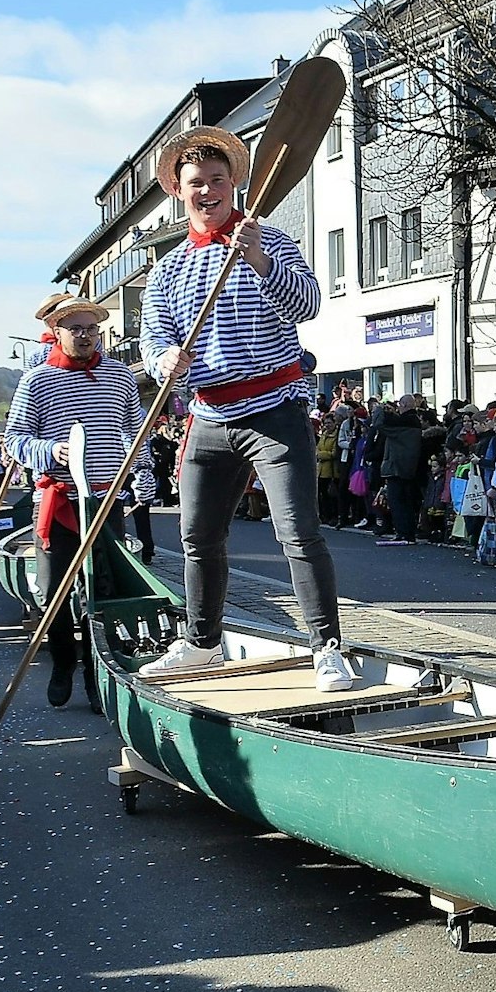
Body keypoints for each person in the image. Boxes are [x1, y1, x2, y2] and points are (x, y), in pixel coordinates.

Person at [135, 124, 352, 690]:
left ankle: (327, 647)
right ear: (179, 193)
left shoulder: (271, 240)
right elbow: (153, 338)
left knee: (298, 533)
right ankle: (202, 644)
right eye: (194, 184)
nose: (207, 191)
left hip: (275, 410)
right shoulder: (168, 269)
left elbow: (307, 305)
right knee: (198, 539)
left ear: (233, 183)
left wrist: (257, 258)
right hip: (207, 417)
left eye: (216, 180)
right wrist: (166, 364)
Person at [5, 296, 144, 710]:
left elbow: (135, 430)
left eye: (91, 329)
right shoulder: (37, 381)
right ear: (59, 333)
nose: (85, 336)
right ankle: (63, 660)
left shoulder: (120, 376)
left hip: (104, 500)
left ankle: (95, 672)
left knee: (102, 590)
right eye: (76, 329)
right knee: (53, 591)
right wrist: (51, 451)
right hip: (58, 500)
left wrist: (141, 473)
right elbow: (15, 439)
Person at [377, 395, 427, 546]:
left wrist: (381, 411)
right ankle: (408, 533)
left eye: (399, 405)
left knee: (398, 501)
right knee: (407, 502)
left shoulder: (401, 424)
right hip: (410, 467)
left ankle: (403, 532)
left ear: (404, 405)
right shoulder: (415, 422)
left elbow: (379, 425)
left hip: (397, 467)